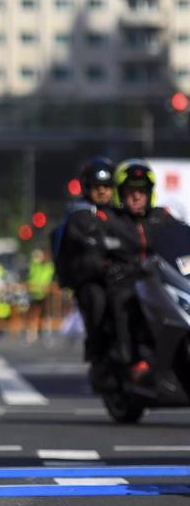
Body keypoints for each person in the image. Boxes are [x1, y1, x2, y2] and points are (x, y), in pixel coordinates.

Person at [103, 159, 183, 382]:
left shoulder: (162, 216)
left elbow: (183, 236)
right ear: (121, 193)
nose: (137, 197)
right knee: (127, 303)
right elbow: (99, 249)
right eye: (131, 192)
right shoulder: (112, 221)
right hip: (129, 281)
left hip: (163, 278)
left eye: (142, 191)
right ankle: (131, 358)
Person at [53, 157, 116, 387]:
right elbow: (90, 239)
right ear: (87, 187)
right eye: (97, 186)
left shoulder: (118, 212)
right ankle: (99, 356)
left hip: (122, 275)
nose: (102, 191)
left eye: (107, 186)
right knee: (99, 304)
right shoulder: (79, 214)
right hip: (90, 278)